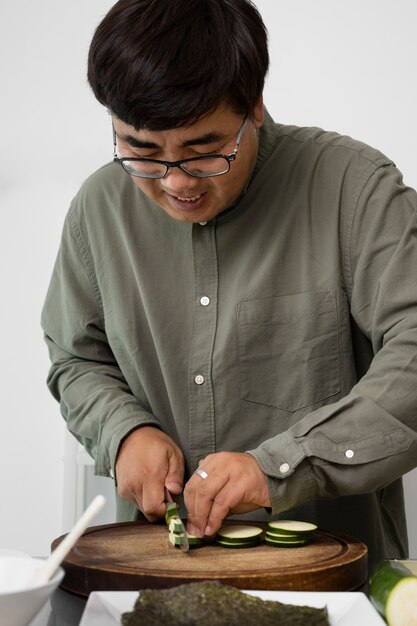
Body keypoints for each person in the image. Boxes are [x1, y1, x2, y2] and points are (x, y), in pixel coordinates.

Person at [41, 0, 417, 573]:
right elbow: (76, 357)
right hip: (149, 572)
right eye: (141, 152)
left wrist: (282, 465)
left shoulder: (357, 191)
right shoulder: (97, 209)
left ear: (255, 106)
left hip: (333, 577)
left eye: (203, 151)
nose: (175, 183)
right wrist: (124, 431)